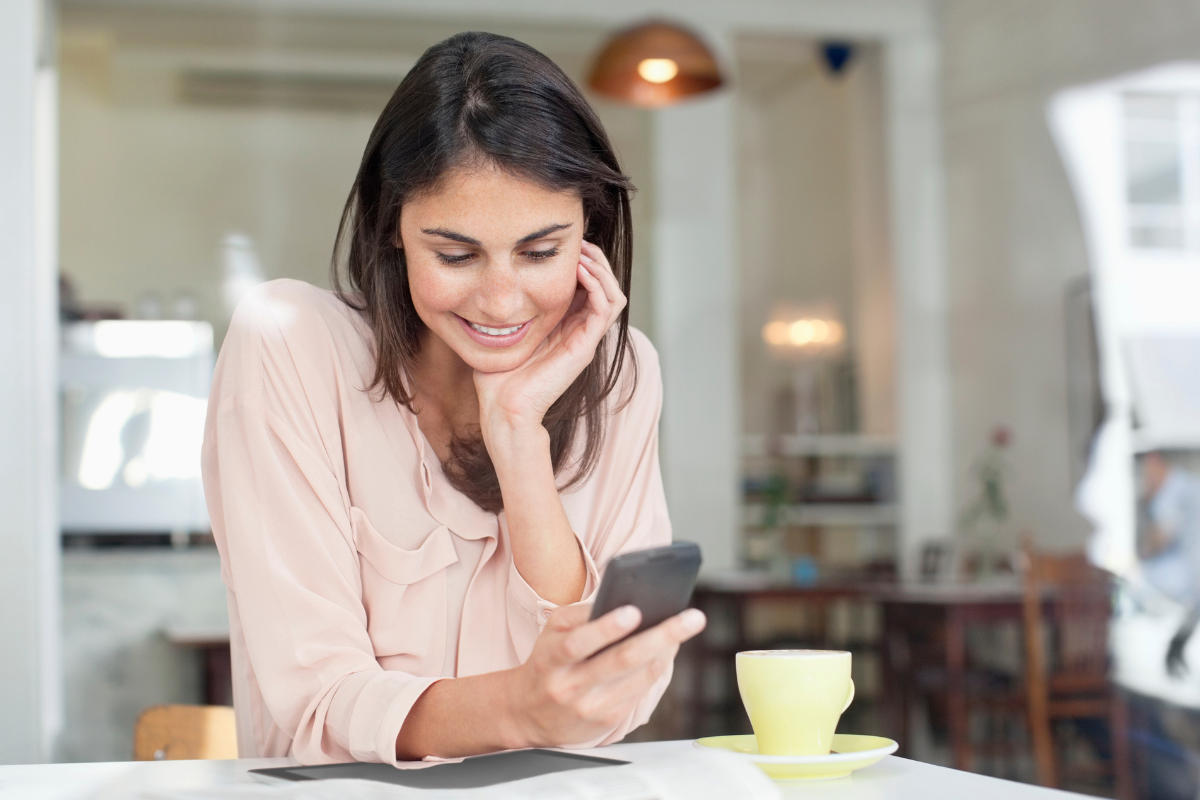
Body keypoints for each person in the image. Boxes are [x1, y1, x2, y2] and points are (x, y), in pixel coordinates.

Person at [200, 31, 706, 766]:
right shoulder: (291, 346)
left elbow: (612, 695)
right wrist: (523, 707)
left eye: (540, 252)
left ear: (588, 237)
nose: (501, 301)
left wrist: (518, 435)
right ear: (394, 232)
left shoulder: (620, 378)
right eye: (456, 255)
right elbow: (316, 706)